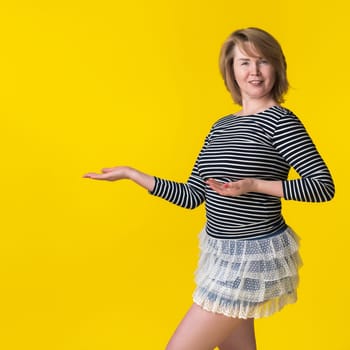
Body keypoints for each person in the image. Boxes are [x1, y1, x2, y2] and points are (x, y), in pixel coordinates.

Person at [83, 27, 335, 350]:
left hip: (252, 255)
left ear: (277, 67)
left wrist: (255, 185)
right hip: (220, 255)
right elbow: (192, 196)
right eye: (244, 63)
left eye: (263, 62)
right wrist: (133, 175)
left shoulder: (280, 121)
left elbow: (322, 187)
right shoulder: (221, 127)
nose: (254, 72)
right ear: (231, 69)